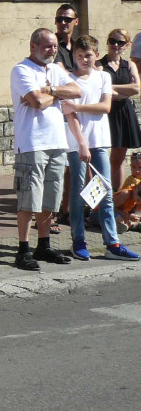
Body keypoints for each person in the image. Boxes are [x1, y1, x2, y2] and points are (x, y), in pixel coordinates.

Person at [62, 35, 139, 261]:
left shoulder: (103, 76)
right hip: (77, 144)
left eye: (88, 55)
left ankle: (112, 243)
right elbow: (69, 114)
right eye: (79, 56)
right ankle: (78, 241)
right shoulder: (69, 80)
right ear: (74, 57)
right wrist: (81, 144)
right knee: (78, 193)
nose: (84, 60)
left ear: (96, 55)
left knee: (104, 191)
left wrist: (77, 105)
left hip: (100, 141)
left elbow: (105, 106)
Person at [9, 28, 82, 271]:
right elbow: (36, 103)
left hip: (57, 143)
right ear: (33, 46)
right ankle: (22, 249)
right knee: (28, 200)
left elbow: (77, 91)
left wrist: (50, 90)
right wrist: (55, 95)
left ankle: (44, 244)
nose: (51, 50)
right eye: (46, 46)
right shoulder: (21, 70)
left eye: (54, 46)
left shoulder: (56, 70)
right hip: (31, 144)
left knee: (50, 199)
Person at [99, 29, 141, 190]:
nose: (116, 45)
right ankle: (95, 203)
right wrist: (124, 90)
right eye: (112, 41)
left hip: (123, 112)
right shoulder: (99, 65)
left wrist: (109, 88)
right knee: (99, 158)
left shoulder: (129, 64)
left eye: (120, 42)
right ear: (108, 42)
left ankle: (116, 197)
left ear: (127, 45)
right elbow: (96, 88)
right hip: (104, 113)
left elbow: (137, 88)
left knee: (118, 160)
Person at [113, 151, 141, 232]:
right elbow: (110, 206)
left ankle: (132, 224)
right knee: (120, 219)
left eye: (140, 167)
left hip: (129, 211)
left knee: (131, 220)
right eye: (134, 167)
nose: (137, 171)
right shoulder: (131, 183)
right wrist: (127, 215)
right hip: (115, 210)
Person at [53, 4, 79, 72]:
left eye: (67, 19)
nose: (63, 22)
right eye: (59, 19)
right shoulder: (52, 45)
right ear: (55, 21)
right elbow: (60, 71)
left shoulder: (79, 46)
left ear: (76, 21)